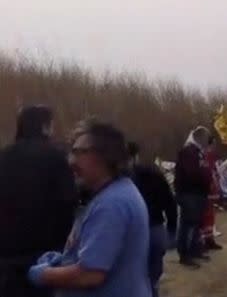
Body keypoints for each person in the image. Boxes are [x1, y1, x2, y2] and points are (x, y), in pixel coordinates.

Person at [27, 120, 150, 297]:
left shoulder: (112, 203)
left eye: (80, 153)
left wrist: (43, 274)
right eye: (72, 152)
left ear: (108, 156)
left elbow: (90, 274)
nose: (71, 161)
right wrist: (64, 260)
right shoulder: (113, 193)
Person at [0, 106, 78, 297]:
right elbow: (68, 203)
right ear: (45, 127)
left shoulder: (4, 157)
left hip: (5, 254)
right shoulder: (57, 158)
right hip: (45, 256)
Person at [129, 142, 177, 297]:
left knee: (133, 275)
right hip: (155, 228)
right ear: (136, 156)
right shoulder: (153, 174)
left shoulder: (117, 179)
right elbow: (169, 202)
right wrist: (171, 227)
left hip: (132, 233)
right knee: (153, 274)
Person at [174, 126, 212, 268]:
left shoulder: (199, 152)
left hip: (199, 193)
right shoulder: (188, 152)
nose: (208, 142)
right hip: (189, 193)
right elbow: (192, 173)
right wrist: (204, 178)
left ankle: (195, 250)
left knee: (196, 224)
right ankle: (184, 254)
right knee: (187, 224)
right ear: (200, 138)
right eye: (207, 138)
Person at [200, 137, 222, 251]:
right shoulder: (204, 156)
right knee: (205, 216)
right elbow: (207, 172)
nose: (214, 146)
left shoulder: (212, 157)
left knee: (210, 216)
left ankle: (210, 239)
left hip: (212, 190)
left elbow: (215, 171)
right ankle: (203, 241)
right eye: (213, 144)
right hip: (206, 190)